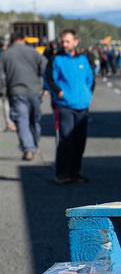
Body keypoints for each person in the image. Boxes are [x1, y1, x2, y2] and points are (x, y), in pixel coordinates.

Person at [45, 29, 95, 184]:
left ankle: (75, 172)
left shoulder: (83, 59)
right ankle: (62, 174)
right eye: (63, 41)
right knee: (66, 140)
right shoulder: (56, 59)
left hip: (82, 106)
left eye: (67, 41)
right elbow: (49, 80)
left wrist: (87, 95)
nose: (64, 44)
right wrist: (59, 92)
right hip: (65, 106)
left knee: (80, 142)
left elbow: (91, 79)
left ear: (76, 41)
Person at [0, 32, 48, 160]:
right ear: (22, 39)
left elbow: (1, 76)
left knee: (22, 120)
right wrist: (44, 86)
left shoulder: (5, 55)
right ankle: (34, 144)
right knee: (34, 120)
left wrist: (3, 91)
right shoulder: (33, 52)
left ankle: (28, 148)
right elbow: (45, 67)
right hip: (34, 90)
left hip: (16, 91)